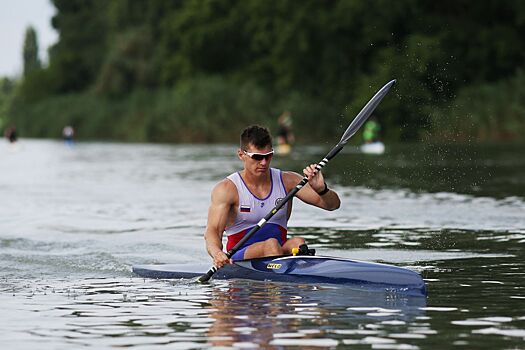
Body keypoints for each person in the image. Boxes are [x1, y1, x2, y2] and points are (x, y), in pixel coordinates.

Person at [204, 125, 341, 268]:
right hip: (240, 257)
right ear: (241, 155)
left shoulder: (288, 181)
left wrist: (322, 190)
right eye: (257, 157)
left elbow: (333, 205)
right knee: (271, 245)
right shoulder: (227, 189)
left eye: (268, 156)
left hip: (278, 252)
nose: (264, 163)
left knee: (298, 242)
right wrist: (217, 253)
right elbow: (213, 231)